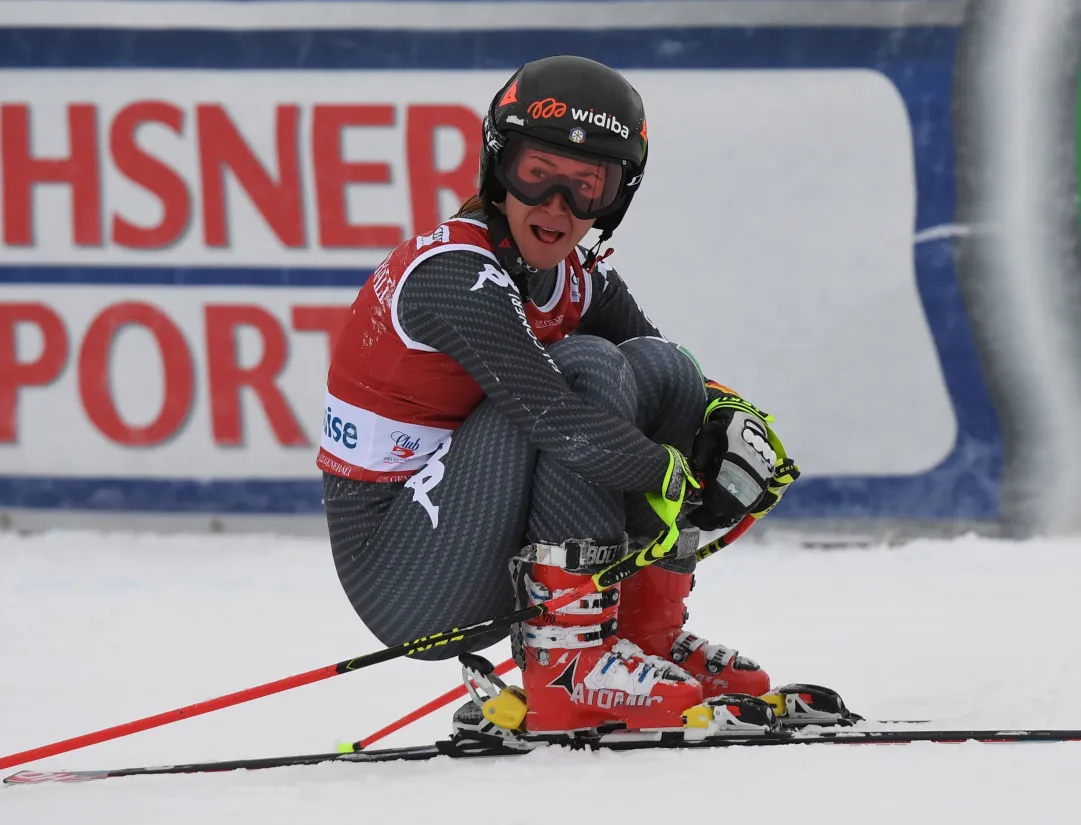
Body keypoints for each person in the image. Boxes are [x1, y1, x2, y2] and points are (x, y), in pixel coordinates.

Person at [319, 55, 800, 735]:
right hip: (405, 575)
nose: (557, 208)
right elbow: (558, 419)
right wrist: (674, 473)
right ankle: (566, 667)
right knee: (584, 368)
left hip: (473, 537)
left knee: (664, 369)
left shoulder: (576, 277)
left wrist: (733, 423)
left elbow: (675, 377)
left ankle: (638, 639)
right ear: (497, 168)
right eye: (536, 175)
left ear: (616, 198)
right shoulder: (452, 274)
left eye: (586, 187)